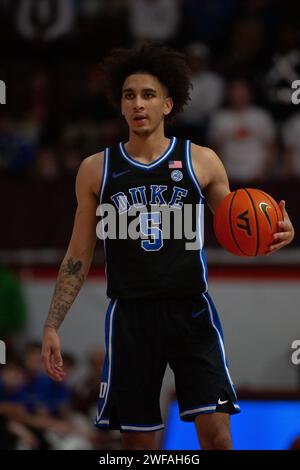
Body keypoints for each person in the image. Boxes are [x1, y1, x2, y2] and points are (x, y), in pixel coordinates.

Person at [41, 43, 295, 450]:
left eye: (148, 95)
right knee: (139, 446)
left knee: (218, 438)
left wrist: (276, 235)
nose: (138, 104)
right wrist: (53, 324)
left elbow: (241, 229)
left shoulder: (203, 161)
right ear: (120, 106)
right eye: (129, 96)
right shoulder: (96, 170)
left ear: (167, 104)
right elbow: (77, 255)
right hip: (129, 316)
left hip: (191, 311)